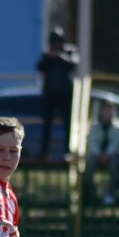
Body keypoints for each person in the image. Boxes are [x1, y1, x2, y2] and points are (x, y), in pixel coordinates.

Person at [35, 27, 78, 159]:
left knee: (67, 124)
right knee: (47, 124)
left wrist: (59, 56)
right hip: (50, 94)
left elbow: (74, 63)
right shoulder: (47, 55)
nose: (56, 44)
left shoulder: (70, 51)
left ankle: (68, 151)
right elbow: (38, 67)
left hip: (65, 94)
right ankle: (44, 153)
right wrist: (49, 56)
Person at [85, 100, 119, 205]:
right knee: (88, 166)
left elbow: (116, 144)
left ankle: (110, 194)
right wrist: (98, 155)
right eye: (106, 110)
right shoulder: (94, 125)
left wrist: (107, 155)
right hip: (96, 155)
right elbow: (92, 142)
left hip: (111, 156)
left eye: (110, 110)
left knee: (115, 167)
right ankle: (92, 194)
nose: (108, 113)